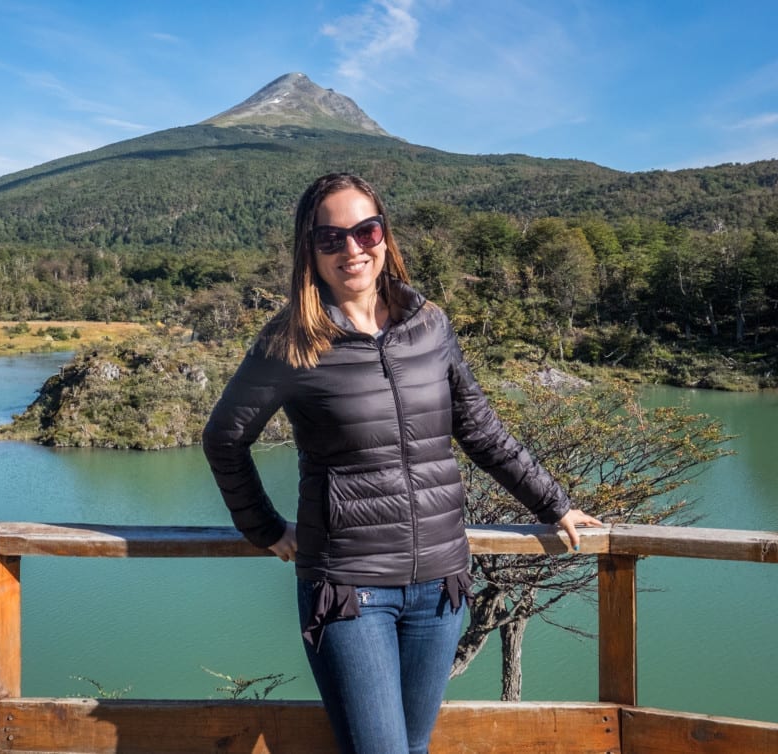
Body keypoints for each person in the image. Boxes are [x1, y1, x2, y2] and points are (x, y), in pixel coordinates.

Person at [201, 173, 602, 754]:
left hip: (440, 582)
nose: (352, 249)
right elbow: (224, 439)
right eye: (330, 238)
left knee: (414, 748)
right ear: (308, 251)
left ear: (385, 235)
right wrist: (264, 529)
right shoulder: (291, 341)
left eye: (365, 230)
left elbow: (479, 428)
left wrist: (555, 503)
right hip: (349, 588)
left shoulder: (429, 325)